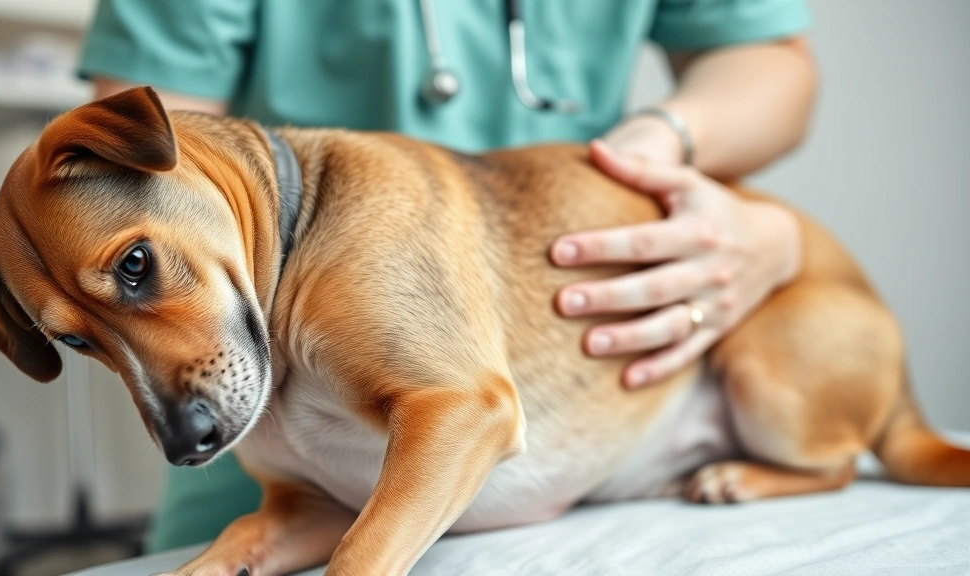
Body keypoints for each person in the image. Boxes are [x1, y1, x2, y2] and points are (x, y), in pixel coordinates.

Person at [78, 0, 816, 552]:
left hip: (590, 399)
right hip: (277, 422)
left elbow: (768, 62)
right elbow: (156, 146)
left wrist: (661, 151)